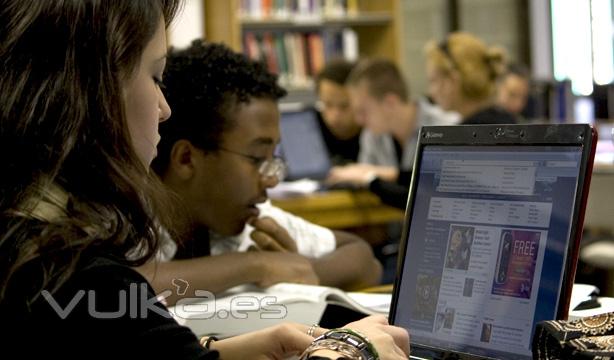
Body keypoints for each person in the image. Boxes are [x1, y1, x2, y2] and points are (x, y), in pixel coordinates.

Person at [0, 1, 411, 359]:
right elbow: (125, 298)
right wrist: (346, 347)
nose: (164, 109)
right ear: (95, 93)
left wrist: (216, 348)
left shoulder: (28, 231)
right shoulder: (68, 269)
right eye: (155, 77)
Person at [141, 41, 382, 306]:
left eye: (272, 159)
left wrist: (297, 269)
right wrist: (256, 265)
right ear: (186, 159)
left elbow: (364, 259)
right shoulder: (125, 215)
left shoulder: (247, 220)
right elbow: (122, 286)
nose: (271, 179)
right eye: (256, 159)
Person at [326, 58, 458, 209]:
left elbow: (435, 197)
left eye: (363, 111)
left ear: (390, 103)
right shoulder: (371, 134)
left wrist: (371, 176)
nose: (359, 120)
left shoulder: (448, 128)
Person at [424, 31, 517, 125]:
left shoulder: (466, 135)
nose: (431, 92)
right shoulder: (505, 123)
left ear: (453, 80)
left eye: (434, 81)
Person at [315, 58, 362, 164]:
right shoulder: (310, 127)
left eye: (344, 106)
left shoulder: (375, 132)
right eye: (327, 104)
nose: (334, 116)